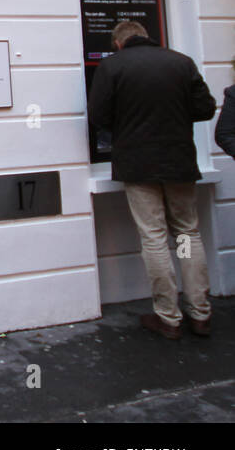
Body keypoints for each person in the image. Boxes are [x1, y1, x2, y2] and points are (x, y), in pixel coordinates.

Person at [87, 20, 216, 339]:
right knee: (187, 233)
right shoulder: (180, 62)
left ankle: (168, 318)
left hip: (138, 163)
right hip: (179, 160)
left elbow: (97, 115)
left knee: (154, 236)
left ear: (119, 43)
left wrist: (127, 123)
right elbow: (205, 108)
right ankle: (200, 313)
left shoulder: (113, 66)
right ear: (146, 37)